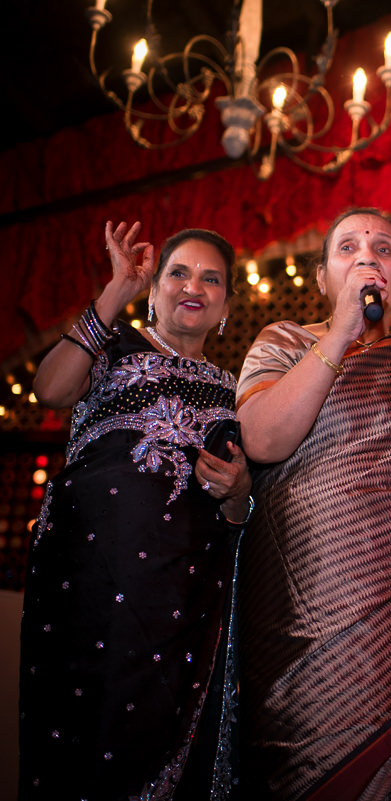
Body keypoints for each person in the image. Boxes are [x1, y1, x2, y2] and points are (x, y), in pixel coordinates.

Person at [19, 221, 253, 800]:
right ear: (154, 289)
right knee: (80, 733)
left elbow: (241, 512)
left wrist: (239, 489)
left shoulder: (240, 392)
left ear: (225, 304)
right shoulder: (110, 346)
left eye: (211, 278)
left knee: (159, 740)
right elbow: (50, 390)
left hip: (182, 600)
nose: (192, 286)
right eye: (178, 272)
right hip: (86, 584)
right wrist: (114, 291)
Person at [235, 207, 391, 800]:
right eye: (349, 248)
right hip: (298, 615)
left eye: (384, 249)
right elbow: (261, 439)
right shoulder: (282, 342)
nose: (367, 257)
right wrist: (339, 332)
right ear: (322, 276)